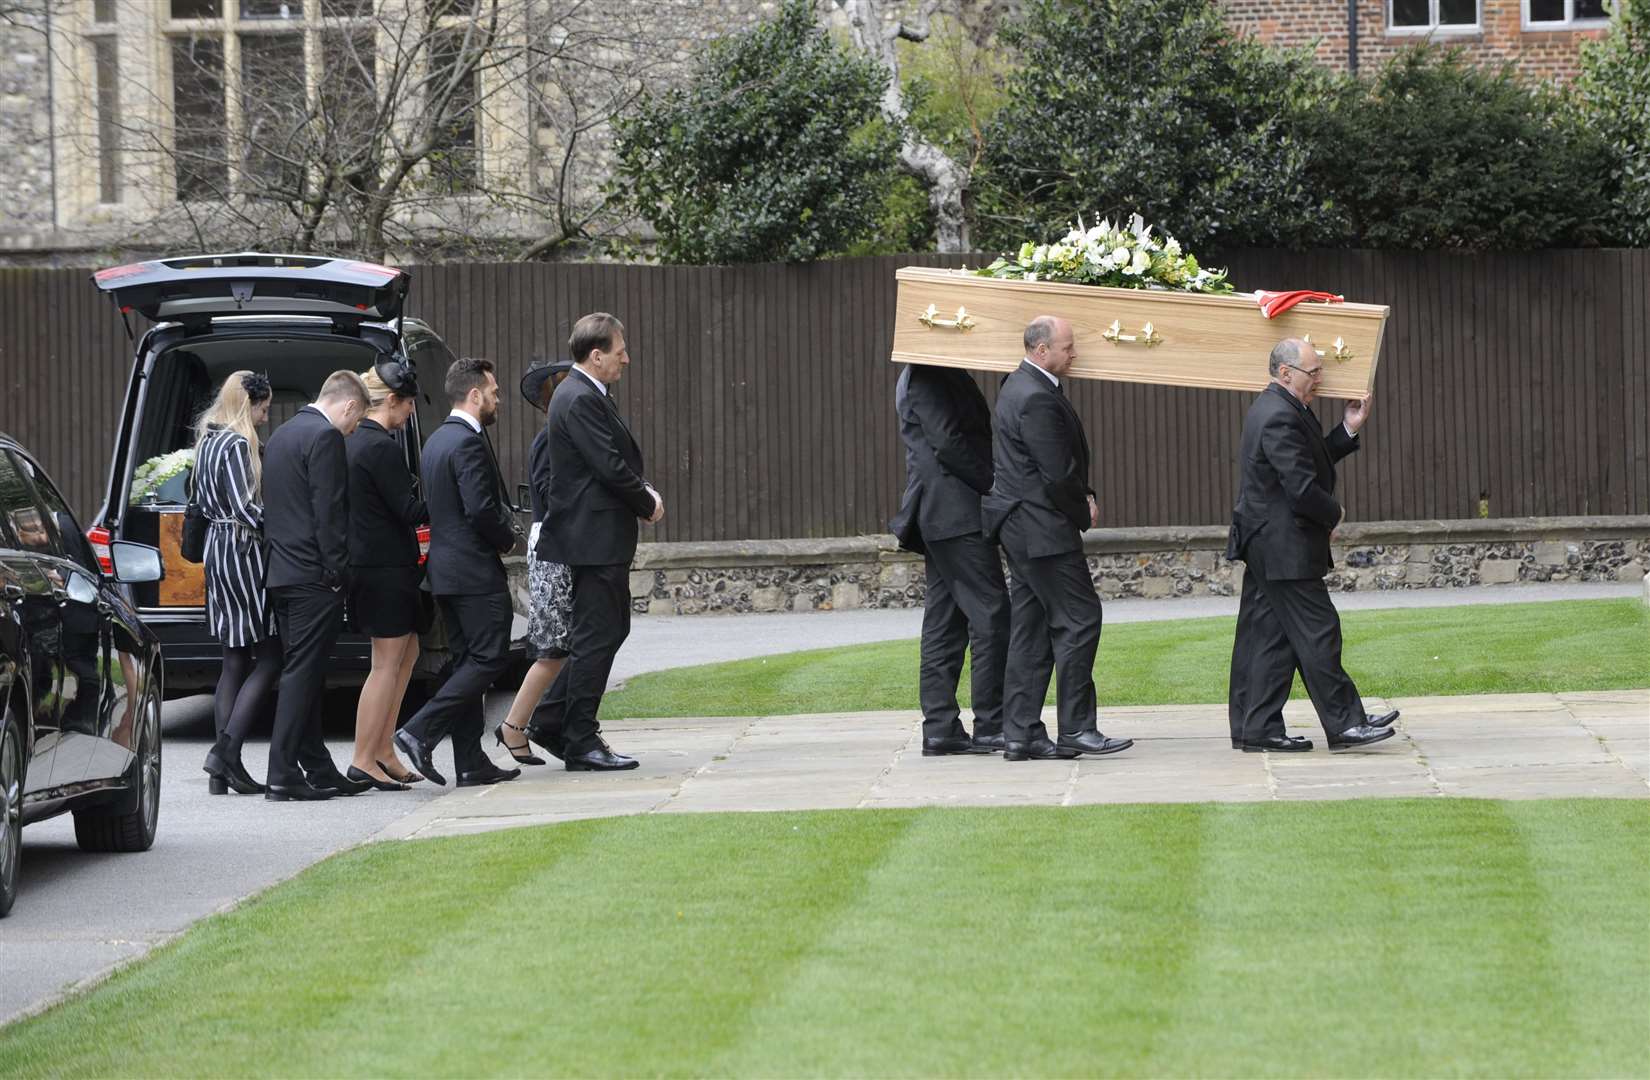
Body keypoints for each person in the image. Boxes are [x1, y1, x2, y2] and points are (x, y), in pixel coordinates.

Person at [1225, 338, 1399, 752]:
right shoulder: (1278, 416)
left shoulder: (1281, 409)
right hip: (1282, 545)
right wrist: (1334, 513)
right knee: (1319, 631)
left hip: (1269, 542)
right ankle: (1346, 724)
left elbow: (1311, 458)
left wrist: (1349, 428)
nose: (1320, 378)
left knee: (1267, 636)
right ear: (1286, 373)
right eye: (1314, 371)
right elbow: (1301, 487)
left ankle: (1256, 727)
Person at [981, 316, 1133, 762]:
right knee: (1080, 618)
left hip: (1022, 527)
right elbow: (1055, 471)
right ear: (1041, 349)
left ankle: (1022, 733)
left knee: (1029, 631)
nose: (1075, 353)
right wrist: (1083, 503)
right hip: (1041, 529)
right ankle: (1077, 728)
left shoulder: (1018, 386)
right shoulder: (1035, 397)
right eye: (1068, 346)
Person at [525, 313, 661, 772]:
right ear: (596, 354)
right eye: (619, 349)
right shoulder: (579, 396)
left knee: (607, 631)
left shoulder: (583, 393)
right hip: (593, 538)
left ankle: (549, 720)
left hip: (597, 538)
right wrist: (647, 501)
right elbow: (608, 465)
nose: (626, 357)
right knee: (596, 636)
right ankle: (579, 737)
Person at [392, 357, 523, 788]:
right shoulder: (466, 442)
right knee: (489, 658)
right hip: (472, 573)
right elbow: (480, 509)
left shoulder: (436, 442)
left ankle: (469, 762)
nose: (498, 398)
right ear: (474, 394)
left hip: (445, 573)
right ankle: (419, 730)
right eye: (494, 391)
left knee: (467, 661)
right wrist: (506, 538)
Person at [262, 370, 371, 801]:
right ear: (348, 406)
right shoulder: (325, 438)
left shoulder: (282, 435)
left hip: (282, 575)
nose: (354, 428)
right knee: (302, 676)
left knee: (301, 673)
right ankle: (281, 772)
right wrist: (338, 572)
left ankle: (318, 767)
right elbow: (328, 512)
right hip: (314, 577)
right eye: (357, 419)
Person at [890, 363, 1007, 756]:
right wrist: (994, 485)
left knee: (945, 621)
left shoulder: (936, 371)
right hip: (953, 510)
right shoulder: (927, 374)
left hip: (944, 511)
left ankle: (941, 728)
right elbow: (949, 444)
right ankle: (992, 724)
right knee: (991, 613)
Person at [344, 361, 430, 789]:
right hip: (383, 568)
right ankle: (364, 756)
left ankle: (383, 750)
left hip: (375, 565)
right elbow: (410, 510)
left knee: (407, 653)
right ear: (392, 401)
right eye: (410, 403)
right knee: (385, 664)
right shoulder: (379, 447)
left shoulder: (356, 441)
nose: (411, 412)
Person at [196, 371, 277, 796]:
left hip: (216, 548)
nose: (265, 418)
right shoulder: (235, 444)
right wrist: (283, 527)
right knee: (269, 655)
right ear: (250, 406)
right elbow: (247, 509)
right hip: (241, 549)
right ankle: (225, 754)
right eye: (263, 409)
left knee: (233, 658)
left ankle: (221, 771)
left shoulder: (207, 440)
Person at [496, 359, 576, 766]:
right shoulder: (550, 439)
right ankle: (514, 725)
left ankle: (532, 724)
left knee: (563, 647)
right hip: (552, 547)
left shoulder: (557, 436)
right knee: (554, 647)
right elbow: (549, 492)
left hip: (560, 544)